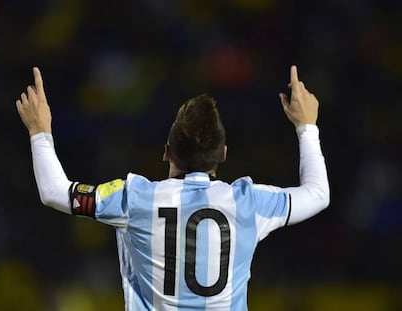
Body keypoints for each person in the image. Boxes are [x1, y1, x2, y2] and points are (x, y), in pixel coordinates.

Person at [16, 65, 329, 310]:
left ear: (166, 151)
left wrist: (40, 130)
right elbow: (318, 194)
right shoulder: (249, 202)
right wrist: (307, 126)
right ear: (222, 155)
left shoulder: (135, 199)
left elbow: (55, 192)